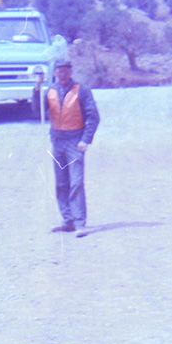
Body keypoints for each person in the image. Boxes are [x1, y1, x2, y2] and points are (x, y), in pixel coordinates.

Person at [46, 59, 100, 235]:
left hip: (75, 141)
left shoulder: (81, 90)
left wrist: (85, 139)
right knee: (61, 183)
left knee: (76, 182)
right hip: (57, 142)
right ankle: (67, 220)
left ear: (70, 72)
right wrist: (36, 90)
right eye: (59, 71)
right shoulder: (50, 91)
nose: (62, 74)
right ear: (55, 73)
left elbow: (93, 116)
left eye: (65, 71)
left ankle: (80, 223)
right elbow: (36, 110)